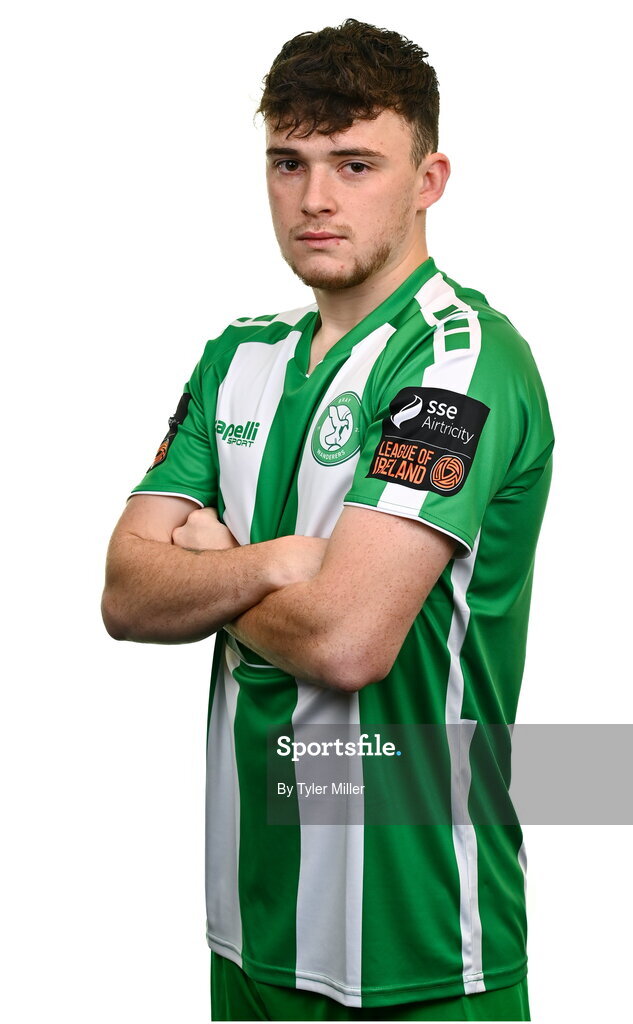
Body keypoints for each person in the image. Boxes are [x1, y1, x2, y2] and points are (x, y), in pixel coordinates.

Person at [102, 18, 552, 1022]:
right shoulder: (236, 357)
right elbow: (126, 594)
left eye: (355, 164)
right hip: (249, 931)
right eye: (288, 163)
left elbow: (349, 641)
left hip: (419, 946)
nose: (315, 198)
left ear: (428, 180)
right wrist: (275, 564)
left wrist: (213, 564)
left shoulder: (458, 362)